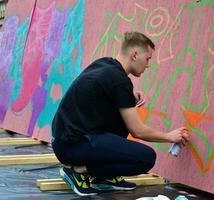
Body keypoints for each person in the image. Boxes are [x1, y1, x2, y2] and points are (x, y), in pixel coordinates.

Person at [51, 31, 189, 196]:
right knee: (146, 158)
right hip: (73, 147)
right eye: (148, 59)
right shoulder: (119, 81)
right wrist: (169, 136)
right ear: (135, 55)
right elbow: (137, 131)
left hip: (64, 141)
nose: (148, 64)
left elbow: (100, 95)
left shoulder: (105, 64)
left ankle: (106, 177)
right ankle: (80, 171)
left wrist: (127, 99)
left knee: (123, 114)